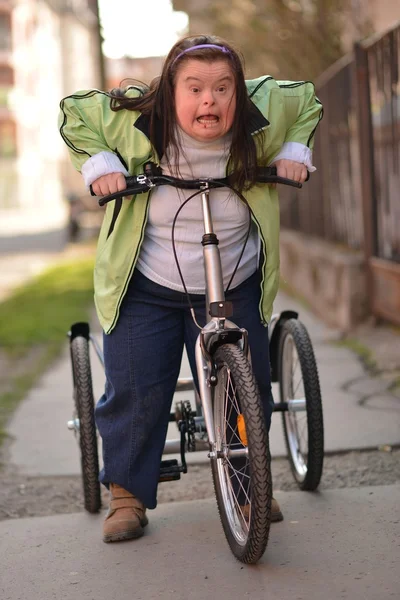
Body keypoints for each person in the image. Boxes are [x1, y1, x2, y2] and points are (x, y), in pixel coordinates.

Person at [59, 34, 323, 543]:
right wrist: (101, 164)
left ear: (239, 93)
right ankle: (127, 496)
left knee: (246, 388)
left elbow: (307, 99)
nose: (210, 101)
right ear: (169, 92)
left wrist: (294, 147)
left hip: (234, 276)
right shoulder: (135, 118)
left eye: (223, 89)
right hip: (149, 282)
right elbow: (74, 112)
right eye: (195, 88)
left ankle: (251, 488)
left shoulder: (262, 111)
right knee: (137, 389)